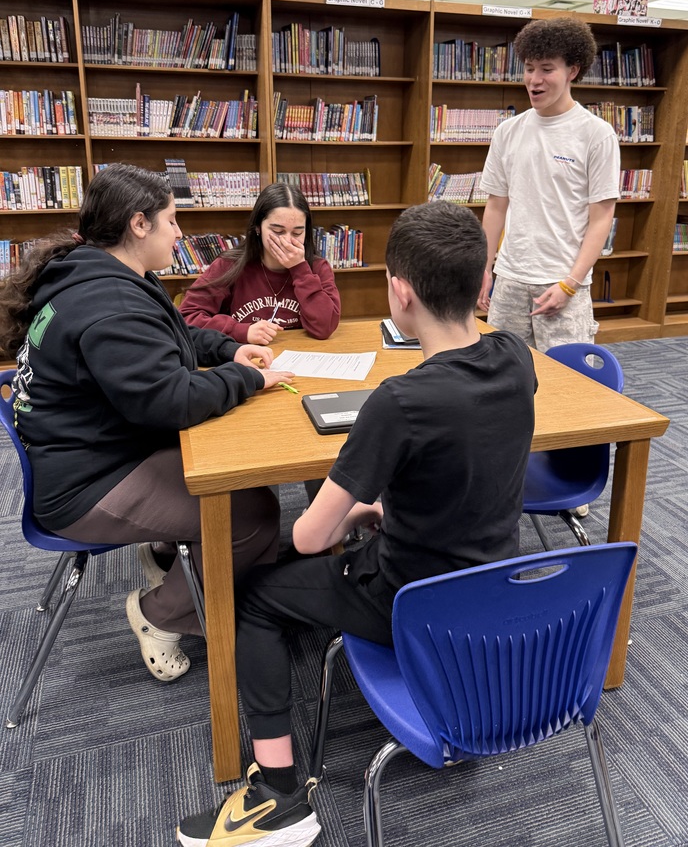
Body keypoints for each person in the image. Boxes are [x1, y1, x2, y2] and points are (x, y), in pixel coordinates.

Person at [177, 200, 537, 847]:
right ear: (482, 284)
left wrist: (354, 505)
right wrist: (383, 503)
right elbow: (467, 458)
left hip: (409, 599)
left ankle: (279, 796)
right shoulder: (516, 357)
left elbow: (315, 537)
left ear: (399, 293)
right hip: (491, 588)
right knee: (351, 526)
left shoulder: (398, 403)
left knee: (255, 596)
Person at [0, 164, 295, 683]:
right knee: (252, 514)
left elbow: (174, 336)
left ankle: (170, 550)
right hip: (86, 486)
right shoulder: (109, 304)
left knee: (231, 473)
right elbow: (172, 401)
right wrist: (248, 380)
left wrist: (229, 347)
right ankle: (159, 614)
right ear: (139, 224)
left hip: (93, 452)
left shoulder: (100, 273)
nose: (179, 233)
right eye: (172, 221)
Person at [478, 16, 620, 353]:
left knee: (568, 383)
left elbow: (601, 218)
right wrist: (484, 268)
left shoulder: (596, 135)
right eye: (529, 69)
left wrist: (570, 285)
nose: (534, 80)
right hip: (510, 278)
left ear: (572, 70)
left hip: (562, 282)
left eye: (546, 69)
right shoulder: (507, 132)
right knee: (502, 376)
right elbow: (496, 206)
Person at [179, 182, 340, 345]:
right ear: (258, 227)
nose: (287, 241)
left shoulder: (317, 268)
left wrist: (300, 269)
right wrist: (240, 330)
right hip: (244, 359)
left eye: (297, 232)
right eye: (278, 231)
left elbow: (324, 328)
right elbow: (187, 317)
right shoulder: (229, 264)